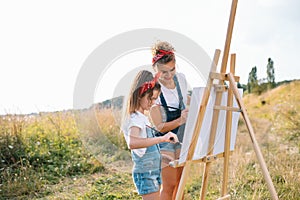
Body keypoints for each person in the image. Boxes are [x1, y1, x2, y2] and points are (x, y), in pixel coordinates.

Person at [122, 70, 179, 200]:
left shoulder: (142, 117)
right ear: (140, 94)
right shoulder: (135, 118)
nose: (153, 102)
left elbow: (146, 148)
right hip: (146, 174)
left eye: (155, 99)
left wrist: (162, 157)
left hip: (153, 172)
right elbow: (133, 143)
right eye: (151, 98)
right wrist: (162, 138)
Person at [149, 41, 190, 200]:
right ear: (155, 69)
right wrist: (181, 120)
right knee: (169, 185)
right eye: (163, 72)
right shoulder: (153, 89)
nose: (168, 75)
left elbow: (184, 100)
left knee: (181, 183)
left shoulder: (181, 80)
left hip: (182, 136)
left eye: (172, 69)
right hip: (164, 140)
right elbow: (159, 126)